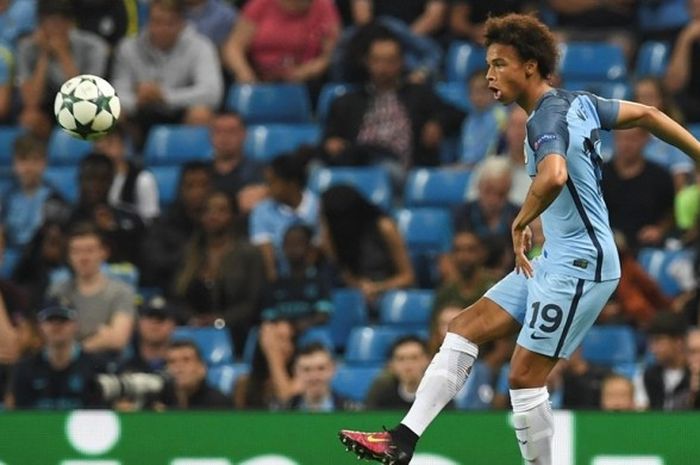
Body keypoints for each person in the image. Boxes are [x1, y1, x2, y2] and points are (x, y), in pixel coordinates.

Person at [338, 13, 700, 465]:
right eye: (488, 65)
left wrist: (521, 218)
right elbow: (648, 114)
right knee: (464, 328)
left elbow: (554, 173)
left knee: (525, 378)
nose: (490, 75)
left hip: (581, 265)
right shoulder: (578, 102)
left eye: (499, 64)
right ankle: (403, 439)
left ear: (530, 66)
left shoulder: (543, 117)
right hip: (555, 256)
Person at [323, 30, 464, 173]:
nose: (382, 68)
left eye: (390, 61)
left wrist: (437, 123)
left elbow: (457, 114)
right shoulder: (348, 101)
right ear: (367, 62)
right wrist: (331, 142)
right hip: (358, 162)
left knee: (385, 168)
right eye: (377, 60)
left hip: (398, 166)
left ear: (401, 62)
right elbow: (330, 137)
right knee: (316, 165)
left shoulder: (418, 94)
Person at [112, 0, 223, 145]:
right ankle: (123, 164)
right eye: (157, 22)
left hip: (180, 112)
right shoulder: (128, 47)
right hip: (139, 114)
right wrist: (137, 100)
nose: (162, 29)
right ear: (148, 21)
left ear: (182, 23)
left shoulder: (201, 46)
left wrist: (164, 96)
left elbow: (212, 93)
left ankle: (188, 160)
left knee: (201, 114)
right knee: (113, 112)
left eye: (169, 23)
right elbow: (117, 92)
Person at [171, 191, 265, 351]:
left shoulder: (249, 253)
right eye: (207, 210)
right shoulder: (189, 252)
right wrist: (192, 319)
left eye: (221, 210)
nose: (213, 216)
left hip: (239, 333)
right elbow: (176, 297)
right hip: (194, 332)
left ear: (233, 215)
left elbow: (253, 302)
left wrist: (220, 320)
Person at [16, 0, 108, 138]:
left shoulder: (93, 47)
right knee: (29, 118)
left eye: (59, 23)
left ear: (70, 24)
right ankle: (39, 158)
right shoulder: (27, 48)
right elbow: (31, 101)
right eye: (49, 23)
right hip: (46, 106)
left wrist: (62, 54)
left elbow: (86, 96)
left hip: (84, 106)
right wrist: (44, 56)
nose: (54, 29)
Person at [47, 222, 136, 356]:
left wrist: (76, 351)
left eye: (89, 250)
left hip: (108, 365)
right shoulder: (58, 290)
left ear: (104, 252)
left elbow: (118, 339)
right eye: (76, 251)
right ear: (69, 256)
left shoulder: (122, 292)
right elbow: (50, 335)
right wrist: (101, 338)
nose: (83, 258)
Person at [320, 184, 414, 304]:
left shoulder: (384, 227)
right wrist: (358, 286)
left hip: (389, 295)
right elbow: (344, 273)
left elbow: (408, 277)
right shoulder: (333, 235)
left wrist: (377, 288)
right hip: (357, 297)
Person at [7, 304, 109, 409]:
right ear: (40, 326)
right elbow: (17, 413)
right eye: (50, 320)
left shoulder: (96, 367)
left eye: (63, 320)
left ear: (76, 325)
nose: (57, 325)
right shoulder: (24, 369)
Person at [223, 0, 340, 84]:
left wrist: (307, 71)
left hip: (305, 81)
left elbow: (331, 54)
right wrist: (244, 73)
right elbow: (234, 46)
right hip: (259, 77)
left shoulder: (324, 6)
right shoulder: (260, 4)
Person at [140, 161, 212, 290]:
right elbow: (154, 262)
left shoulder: (225, 225)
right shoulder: (163, 225)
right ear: (181, 189)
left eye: (203, 185)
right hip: (173, 294)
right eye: (190, 186)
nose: (197, 192)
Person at [602, 127, 676, 253]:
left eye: (633, 139)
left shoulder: (660, 176)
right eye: (622, 139)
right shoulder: (599, 174)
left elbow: (671, 212)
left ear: (645, 140)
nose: (626, 144)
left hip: (647, 247)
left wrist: (659, 230)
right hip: (606, 245)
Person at [249, 153, 320, 281]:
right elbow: (267, 260)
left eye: (272, 183)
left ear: (291, 184)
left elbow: (318, 251)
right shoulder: (262, 211)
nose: (267, 189)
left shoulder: (318, 207)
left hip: (314, 278)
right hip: (278, 280)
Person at [68, 152, 146, 265]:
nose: (94, 186)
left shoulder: (129, 218)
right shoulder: (67, 218)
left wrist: (112, 230)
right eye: (88, 179)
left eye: (101, 180)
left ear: (111, 181)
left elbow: (137, 258)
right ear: (79, 181)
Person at [453, 156, 520, 273]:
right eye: (488, 191)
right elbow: (449, 257)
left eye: (501, 194)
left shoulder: (518, 216)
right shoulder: (461, 214)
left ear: (509, 191)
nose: (493, 200)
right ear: (479, 187)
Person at [261, 224, 332, 333]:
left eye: (298, 244)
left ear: (309, 248)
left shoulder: (319, 281)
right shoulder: (275, 284)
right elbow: (268, 317)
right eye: (288, 244)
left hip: (312, 332)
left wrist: (304, 325)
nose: (293, 249)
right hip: (282, 334)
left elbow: (323, 315)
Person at [0, 134, 65, 249]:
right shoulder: (6, 198)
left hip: (38, 258)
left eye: (35, 160)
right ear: (14, 164)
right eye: (23, 160)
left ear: (44, 163)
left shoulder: (54, 198)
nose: (29, 168)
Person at [94, 125, 160, 223]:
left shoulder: (142, 179)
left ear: (123, 146)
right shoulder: (92, 180)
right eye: (99, 146)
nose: (104, 151)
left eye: (109, 143)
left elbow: (151, 220)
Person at [208, 112, 267, 215]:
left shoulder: (260, 172)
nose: (224, 137)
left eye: (231, 131)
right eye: (218, 132)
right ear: (210, 136)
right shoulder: (200, 174)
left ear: (244, 134)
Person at [234, 319, 300, 409]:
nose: (286, 346)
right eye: (279, 338)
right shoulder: (244, 384)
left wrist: (271, 353)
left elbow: (286, 400)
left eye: (289, 339)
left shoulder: (302, 378)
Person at [365, 336, 431, 410]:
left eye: (414, 358)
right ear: (391, 365)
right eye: (401, 359)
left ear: (427, 360)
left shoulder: (438, 391)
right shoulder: (381, 391)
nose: (408, 365)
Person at [161, 339, 231, 409]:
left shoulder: (219, 403)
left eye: (186, 360)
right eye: (172, 361)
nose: (178, 367)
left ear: (202, 368)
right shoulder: (160, 401)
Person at [643, 312, 692, 410]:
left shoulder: (693, 376)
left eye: (658, 341)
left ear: (679, 342)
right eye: (651, 341)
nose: (653, 349)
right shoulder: (650, 375)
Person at [459, 69, 508, 166]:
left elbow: (495, 152)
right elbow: (466, 155)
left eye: (483, 90)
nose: (478, 96)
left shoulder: (500, 116)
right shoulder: (469, 121)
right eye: (474, 91)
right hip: (468, 168)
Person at [287, 342, 351, 412]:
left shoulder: (352, 411)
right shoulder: (281, 410)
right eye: (306, 370)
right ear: (296, 372)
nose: (314, 377)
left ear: (333, 370)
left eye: (321, 369)